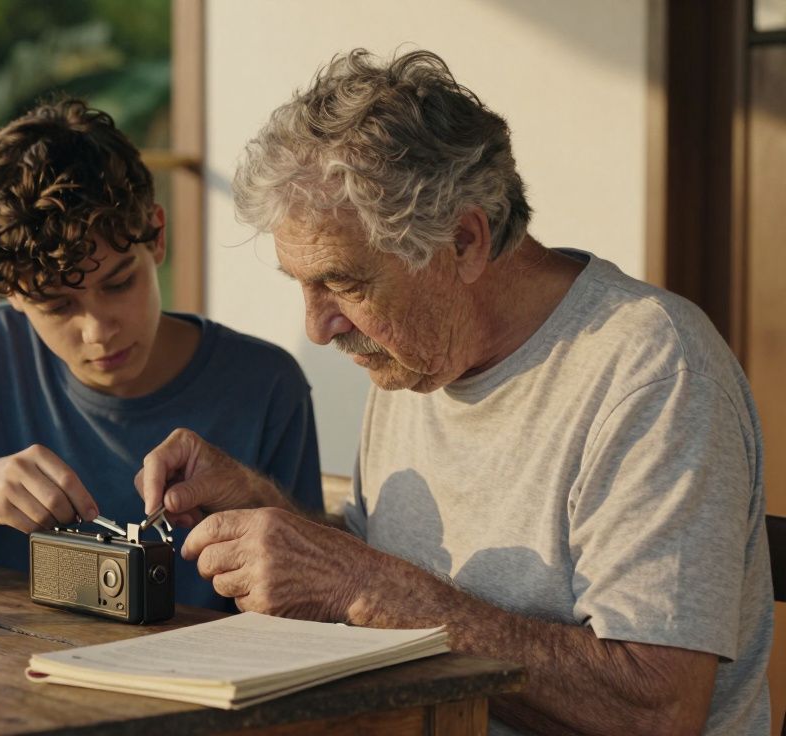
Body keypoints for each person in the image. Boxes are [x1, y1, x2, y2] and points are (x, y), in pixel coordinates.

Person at [136, 50, 770, 734]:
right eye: (304, 285)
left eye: (343, 282)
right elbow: (382, 587)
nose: (318, 327)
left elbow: (657, 710)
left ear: (465, 241)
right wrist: (267, 515)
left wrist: (359, 586)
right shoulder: (415, 356)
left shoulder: (651, 369)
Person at [0, 99, 323, 612]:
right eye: (56, 305)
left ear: (157, 237)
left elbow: (316, 580)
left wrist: (253, 496)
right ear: (13, 295)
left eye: (119, 284)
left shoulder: (266, 384)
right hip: (19, 657)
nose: (98, 331)